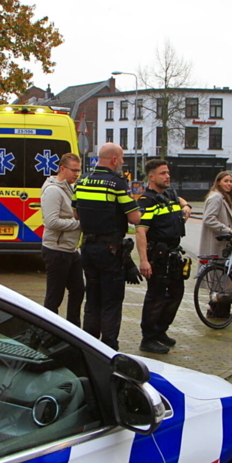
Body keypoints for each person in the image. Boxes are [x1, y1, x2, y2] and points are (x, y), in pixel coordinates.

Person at [74, 142, 140, 350]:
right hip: (110, 250)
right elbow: (135, 218)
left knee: (92, 298)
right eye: (121, 159)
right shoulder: (118, 183)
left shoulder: (82, 180)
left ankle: (89, 345)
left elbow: (76, 214)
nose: (122, 162)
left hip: (87, 247)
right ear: (113, 160)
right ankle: (109, 348)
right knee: (111, 300)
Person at [135, 159, 191, 354]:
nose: (167, 176)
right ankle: (148, 338)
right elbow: (140, 231)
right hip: (157, 256)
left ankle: (160, 331)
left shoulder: (169, 194)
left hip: (173, 254)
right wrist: (143, 261)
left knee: (176, 294)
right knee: (156, 297)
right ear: (151, 177)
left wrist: (186, 205)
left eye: (168, 172)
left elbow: (180, 199)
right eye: (163, 173)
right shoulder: (146, 200)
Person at [40, 152, 84, 326]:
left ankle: (73, 328)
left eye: (78, 170)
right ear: (62, 169)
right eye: (73, 170)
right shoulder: (53, 191)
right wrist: (79, 224)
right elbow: (51, 222)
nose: (76, 174)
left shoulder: (70, 188)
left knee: (78, 290)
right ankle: (48, 330)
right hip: (56, 250)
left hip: (71, 249)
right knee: (54, 296)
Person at [200, 171, 232, 258]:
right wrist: (228, 230)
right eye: (226, 181)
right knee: (217, 269)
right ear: (218, 182)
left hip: (220, 242)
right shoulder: (216, 197)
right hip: (217, 243)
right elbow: (209, 219)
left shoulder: (221, 197)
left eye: (230, 181)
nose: (229, 184)